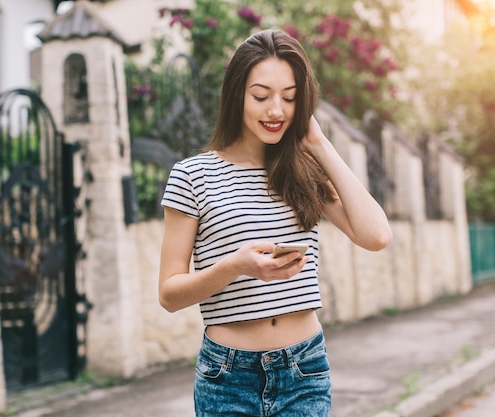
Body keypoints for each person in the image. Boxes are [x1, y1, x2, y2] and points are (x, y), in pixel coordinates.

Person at [158, 28, 392, 417]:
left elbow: (376, 235)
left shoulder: (303, 170)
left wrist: (318, 143)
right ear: (237, 95)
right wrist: (236, 265)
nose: (276, 111)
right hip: (227, 377)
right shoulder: (192, 176)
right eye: (261, 96)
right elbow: (170, 294)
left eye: (290, 98)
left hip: (303, 370)